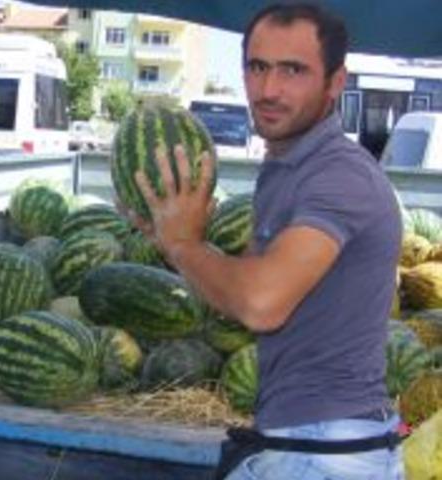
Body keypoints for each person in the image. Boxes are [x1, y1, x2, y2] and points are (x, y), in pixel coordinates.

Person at [128, 3, 403, 479]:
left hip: (325, 452)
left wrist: (186, 246)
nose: (269, 90)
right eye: (258, 67)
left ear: (336, 82)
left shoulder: (339, 175)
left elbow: (260, 303)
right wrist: (174, 244)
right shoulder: (286, 171)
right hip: (302, 441)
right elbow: (240, 297)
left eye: (293, 71)